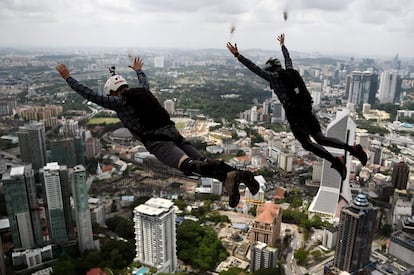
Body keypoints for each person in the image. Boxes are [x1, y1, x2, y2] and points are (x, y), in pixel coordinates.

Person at [55, 57, 259, 207]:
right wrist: (138, 70)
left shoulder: (120, 101)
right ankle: (237, 176)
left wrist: (68, 78)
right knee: (202, 164)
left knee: (188, 167)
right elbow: (144, 82)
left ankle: (229, 174)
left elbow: (90, 94)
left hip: (158, 142)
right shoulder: (142, 92)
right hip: (174, 133)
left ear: (113, 93)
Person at [226, 34, 367, 180]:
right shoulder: (290, 71)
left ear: (271, 69)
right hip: (307, 110)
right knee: (321, 138)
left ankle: (336, 162)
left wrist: (238, 55)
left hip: (295, 114)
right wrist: (282, 45)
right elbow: (288, 60)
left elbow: (255, 69)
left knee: (307, 143)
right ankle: (353, 149)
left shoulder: (274, 77)